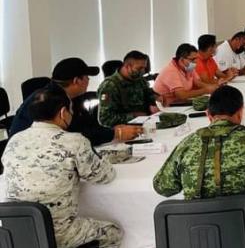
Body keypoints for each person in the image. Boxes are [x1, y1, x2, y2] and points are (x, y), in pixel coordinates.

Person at [153, 85, 245, 248]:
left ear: (208, 115)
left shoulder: (187, 143)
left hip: (195, 229)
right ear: (240, 113)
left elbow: (163, 187)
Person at [2, 87, 123, 248]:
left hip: (17, 231)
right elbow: (104, 176)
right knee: (113, 232)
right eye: (71, 110)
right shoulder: (74, 141)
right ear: (63, 112)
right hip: (57, 232)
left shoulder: (14, 140)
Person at [9, 57, 141, 145]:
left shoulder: (71, 97)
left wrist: (111, 130)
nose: (89, 81)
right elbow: (78, 135)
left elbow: (86, 124)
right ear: (76, 81)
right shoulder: (53, 101)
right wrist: (117, 134)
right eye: (86, 77)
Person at [97, 50, 161, 127]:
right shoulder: (110, 86)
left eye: (144, 68)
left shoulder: (139, 79)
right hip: (124, 130)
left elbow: (148, 94)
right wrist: (134, 116)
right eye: (139, 68)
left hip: (146, 123)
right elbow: (105, 119)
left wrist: (157, 98)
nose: (143, 71)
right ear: (127, 66)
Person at [153, 43, 217, 106]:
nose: (195, 62)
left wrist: (212, 87)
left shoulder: (188, 67)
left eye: (196, 58)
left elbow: (197, 82)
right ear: (181, 60)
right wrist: (205, 90)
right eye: (192, 59)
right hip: (167, 106)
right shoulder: (171, 71)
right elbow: (182, 95)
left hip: (181, 103)